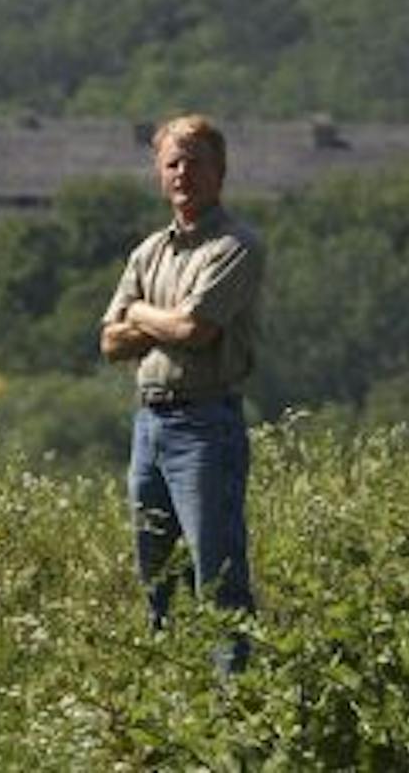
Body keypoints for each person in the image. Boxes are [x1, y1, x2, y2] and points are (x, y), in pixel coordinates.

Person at [99, 114, 263, 669]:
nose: (182, 172)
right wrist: (159, 322)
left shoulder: (235, 246)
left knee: (216, 576)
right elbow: (109, 342)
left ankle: (235, 711)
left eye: (195, 162)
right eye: (172, 162)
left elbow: (197, 332)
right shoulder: (149, 252)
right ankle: (169, 700)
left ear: (220, 172)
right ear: (159, 174)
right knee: (156, 577)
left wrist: (140, 313)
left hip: (204, 428)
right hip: (150, 426)